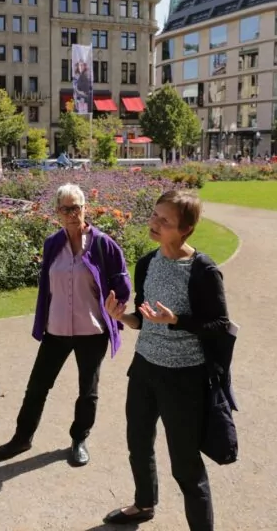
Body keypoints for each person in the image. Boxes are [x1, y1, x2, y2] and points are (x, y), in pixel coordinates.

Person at [103, 190, 230, 530]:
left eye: (165, 221)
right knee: (138, 443)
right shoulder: (146, 263)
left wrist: (177, 321)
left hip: (184, 378)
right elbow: (144, 319)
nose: (155, 224)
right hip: (144, 369)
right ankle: (144, 504)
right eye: (155, 215)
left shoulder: (202, 270)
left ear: (186, 229)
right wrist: (122, 317)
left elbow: (220, 326)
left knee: (186, 465)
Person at [0, 184, 130, 465]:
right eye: (65, 208)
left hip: (92, 331)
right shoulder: (52, 244)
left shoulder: (103, 244)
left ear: (85, 208)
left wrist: (116, 303)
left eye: (76, 207)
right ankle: (22, 438)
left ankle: (79, 439)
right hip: (56, 329)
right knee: (37, 387)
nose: (72, 213)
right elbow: (47, 286)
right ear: (57, 212)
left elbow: (122, 280)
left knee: (87, 391)